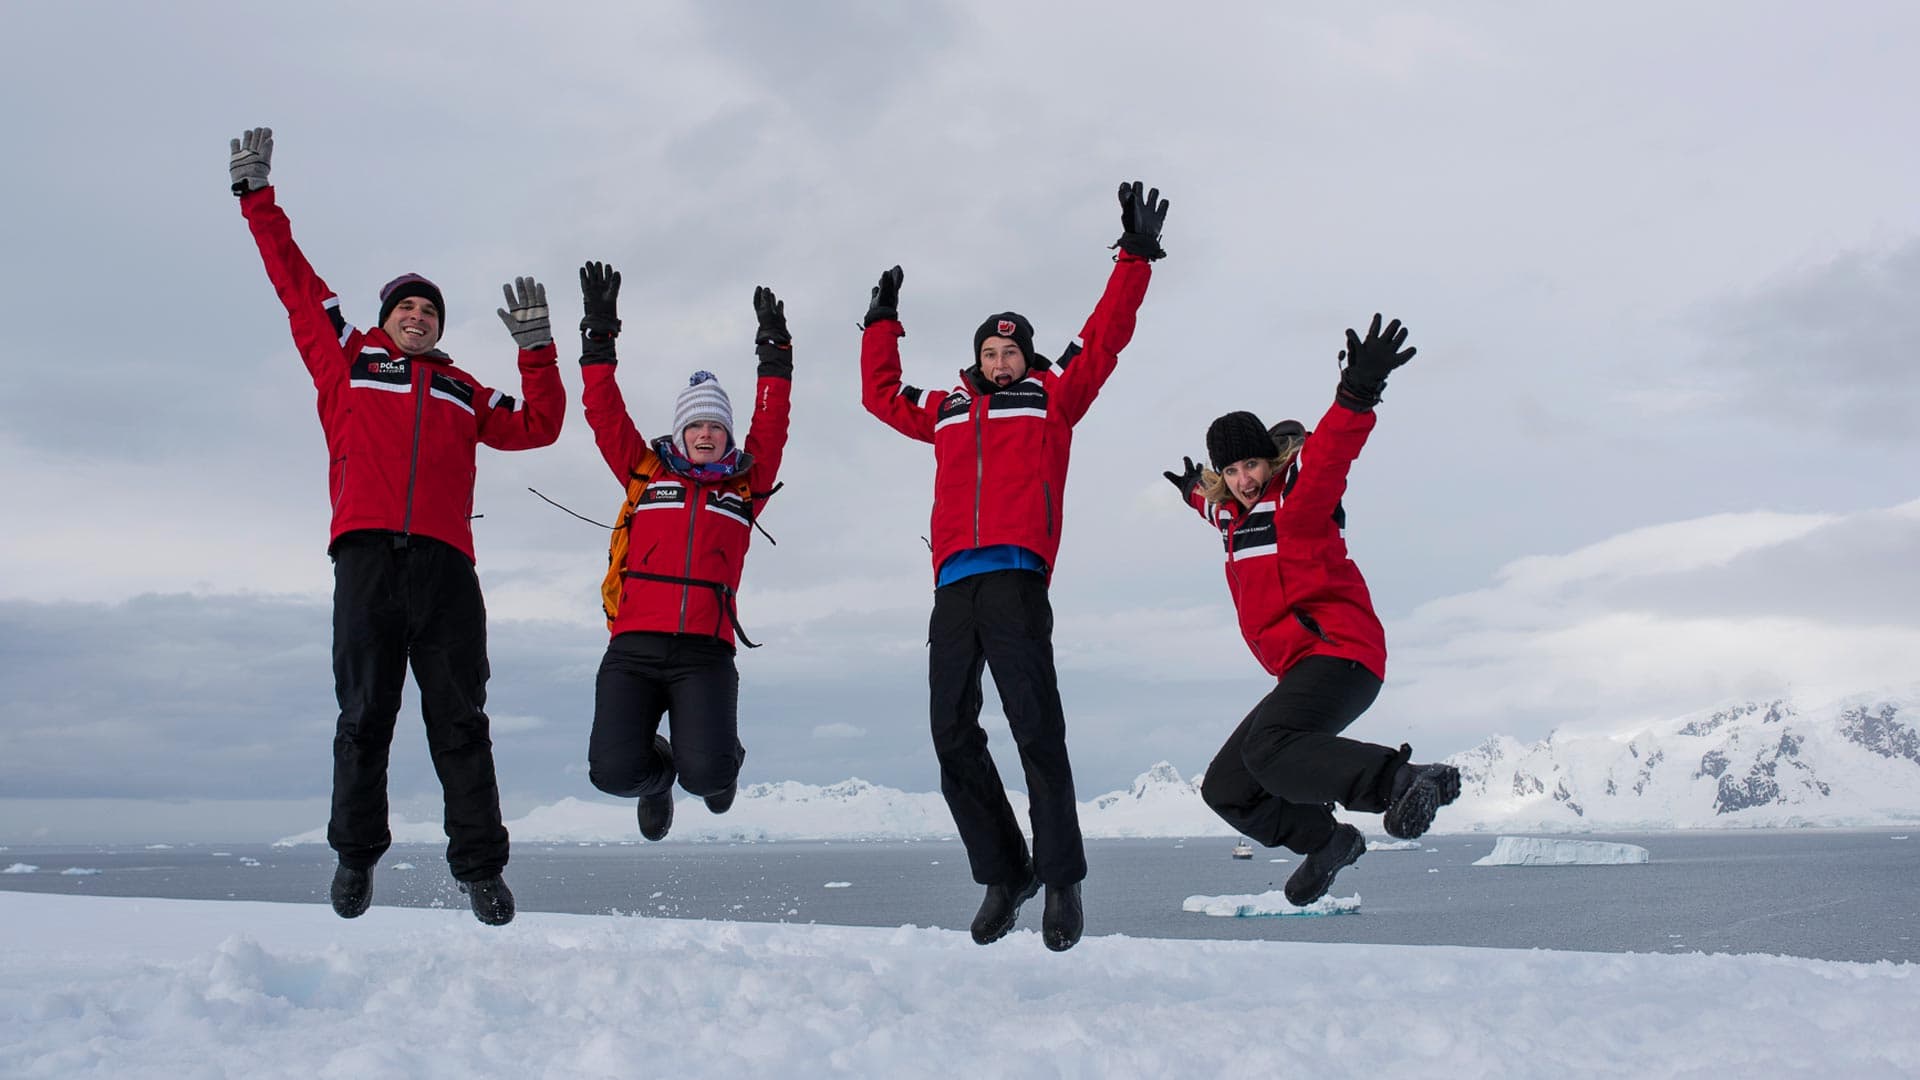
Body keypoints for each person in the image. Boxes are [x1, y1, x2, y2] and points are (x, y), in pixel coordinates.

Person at [230, 127, 565, 925]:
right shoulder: (346, 359)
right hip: (368, 558)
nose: (417, 317)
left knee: (461, 722)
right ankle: (354, 858)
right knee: (363, 717)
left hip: (448, 569)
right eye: (406, 308)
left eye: (429, 311)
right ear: (388, 318)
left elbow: (543, 426)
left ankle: (480, 869)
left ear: (441, 327)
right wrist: (256, 198)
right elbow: (295, 285)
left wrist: (537, 349)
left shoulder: (463, 390)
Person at [859, 182, 1169, 951]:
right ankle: (1006, 871)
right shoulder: (947, 410)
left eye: (1011, 351)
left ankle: (1061, 878)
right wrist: (880, 323)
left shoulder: (1054, 399)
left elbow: (1104, 339)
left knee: (1036, 728)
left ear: (1028, 355)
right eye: (990, 353)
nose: (1001, 362)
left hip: (1018, 580)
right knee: (950, 733)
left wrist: (1134, 258)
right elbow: (878, 395)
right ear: (976, 360)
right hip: (952, 586)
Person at [1164, 314, 1460, 907]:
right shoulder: (1228, 516)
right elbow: (1211, 506)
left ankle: (1402, 781)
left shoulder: (1299, 497)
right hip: (1302, 667)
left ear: (1268, 462)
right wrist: (1192, 491)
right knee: (1228, 787)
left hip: (1342, 652)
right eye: (1231, 470)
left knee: (1270, 745)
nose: (1244, 478)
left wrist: (1360, 389)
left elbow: (1332, 450)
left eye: (1251, 464)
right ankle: (1327, 843)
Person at [576, 261, 791, 842]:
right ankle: (657, 779)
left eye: (716, 427)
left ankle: (708, 765)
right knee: (613, 773)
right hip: (634, 648)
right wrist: (599, 335)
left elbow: (772, 428)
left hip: (704, 653)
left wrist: (775, 356)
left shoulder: (744, 488)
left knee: (712, 779)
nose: (705, 434)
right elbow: (603, 412)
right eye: (695, 425)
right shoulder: (643, 473)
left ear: (727, 436)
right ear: (677, 433)